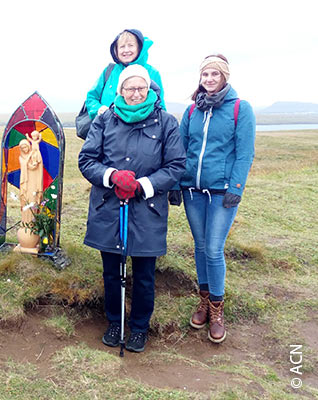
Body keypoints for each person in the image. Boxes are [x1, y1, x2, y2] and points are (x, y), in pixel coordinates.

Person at [79, 65, 185, 353]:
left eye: (141, 88)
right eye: (130, 88)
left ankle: (139, 327)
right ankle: (115, 322)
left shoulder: (165, 122)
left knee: (144, 273)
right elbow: (87, 160)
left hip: (147, 208)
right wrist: (112, 176)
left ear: (150, 89)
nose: (136, 93)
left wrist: (143, 185)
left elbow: (176, 166)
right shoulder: (104, 120)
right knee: (111, 271)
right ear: (120, 91)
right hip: (109, 206)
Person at [169, 54, 255, 344]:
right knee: (201, 246)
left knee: (215, 249)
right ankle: (203, 302)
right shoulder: (193, 110)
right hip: (193, 191)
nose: (209, 79)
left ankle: (217, 310)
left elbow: (244, 152)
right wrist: (177, 182)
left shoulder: (240, 109)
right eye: (205, 74)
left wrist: (237, 187)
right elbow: (181, 149)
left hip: (222, 193)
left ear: (224, 77)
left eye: (214, 75)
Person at [84, 29, 166, 119]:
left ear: (139, 48)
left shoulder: (152, 73)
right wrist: (98, 109)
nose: (126, 50)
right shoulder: (109, 71)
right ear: (116, 50)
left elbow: (160, 105)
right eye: (122, 47)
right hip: (107, 128)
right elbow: (91, 98)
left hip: (142, 130)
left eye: (130, 45)